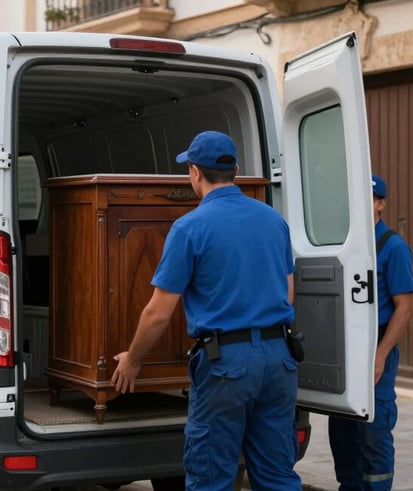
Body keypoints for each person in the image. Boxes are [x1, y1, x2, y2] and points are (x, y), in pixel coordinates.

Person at [111, 130, 302, 491]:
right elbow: (288, 294)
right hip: (280, 360)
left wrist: (133, 359)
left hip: (226, 364)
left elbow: (158, 312)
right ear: (236, 170)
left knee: (211, 477)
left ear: (195, 172)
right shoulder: (273, 220)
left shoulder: (189, 227)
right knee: (277, 475)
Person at [328, 174, 413, 491]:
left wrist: (380, 355)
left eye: (368, 199)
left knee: (373, 433)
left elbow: (404, 307)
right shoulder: (342, 244)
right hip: (346, 350)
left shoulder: (393, 247)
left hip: (377, 347)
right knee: (343, 430)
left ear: (381, 203)